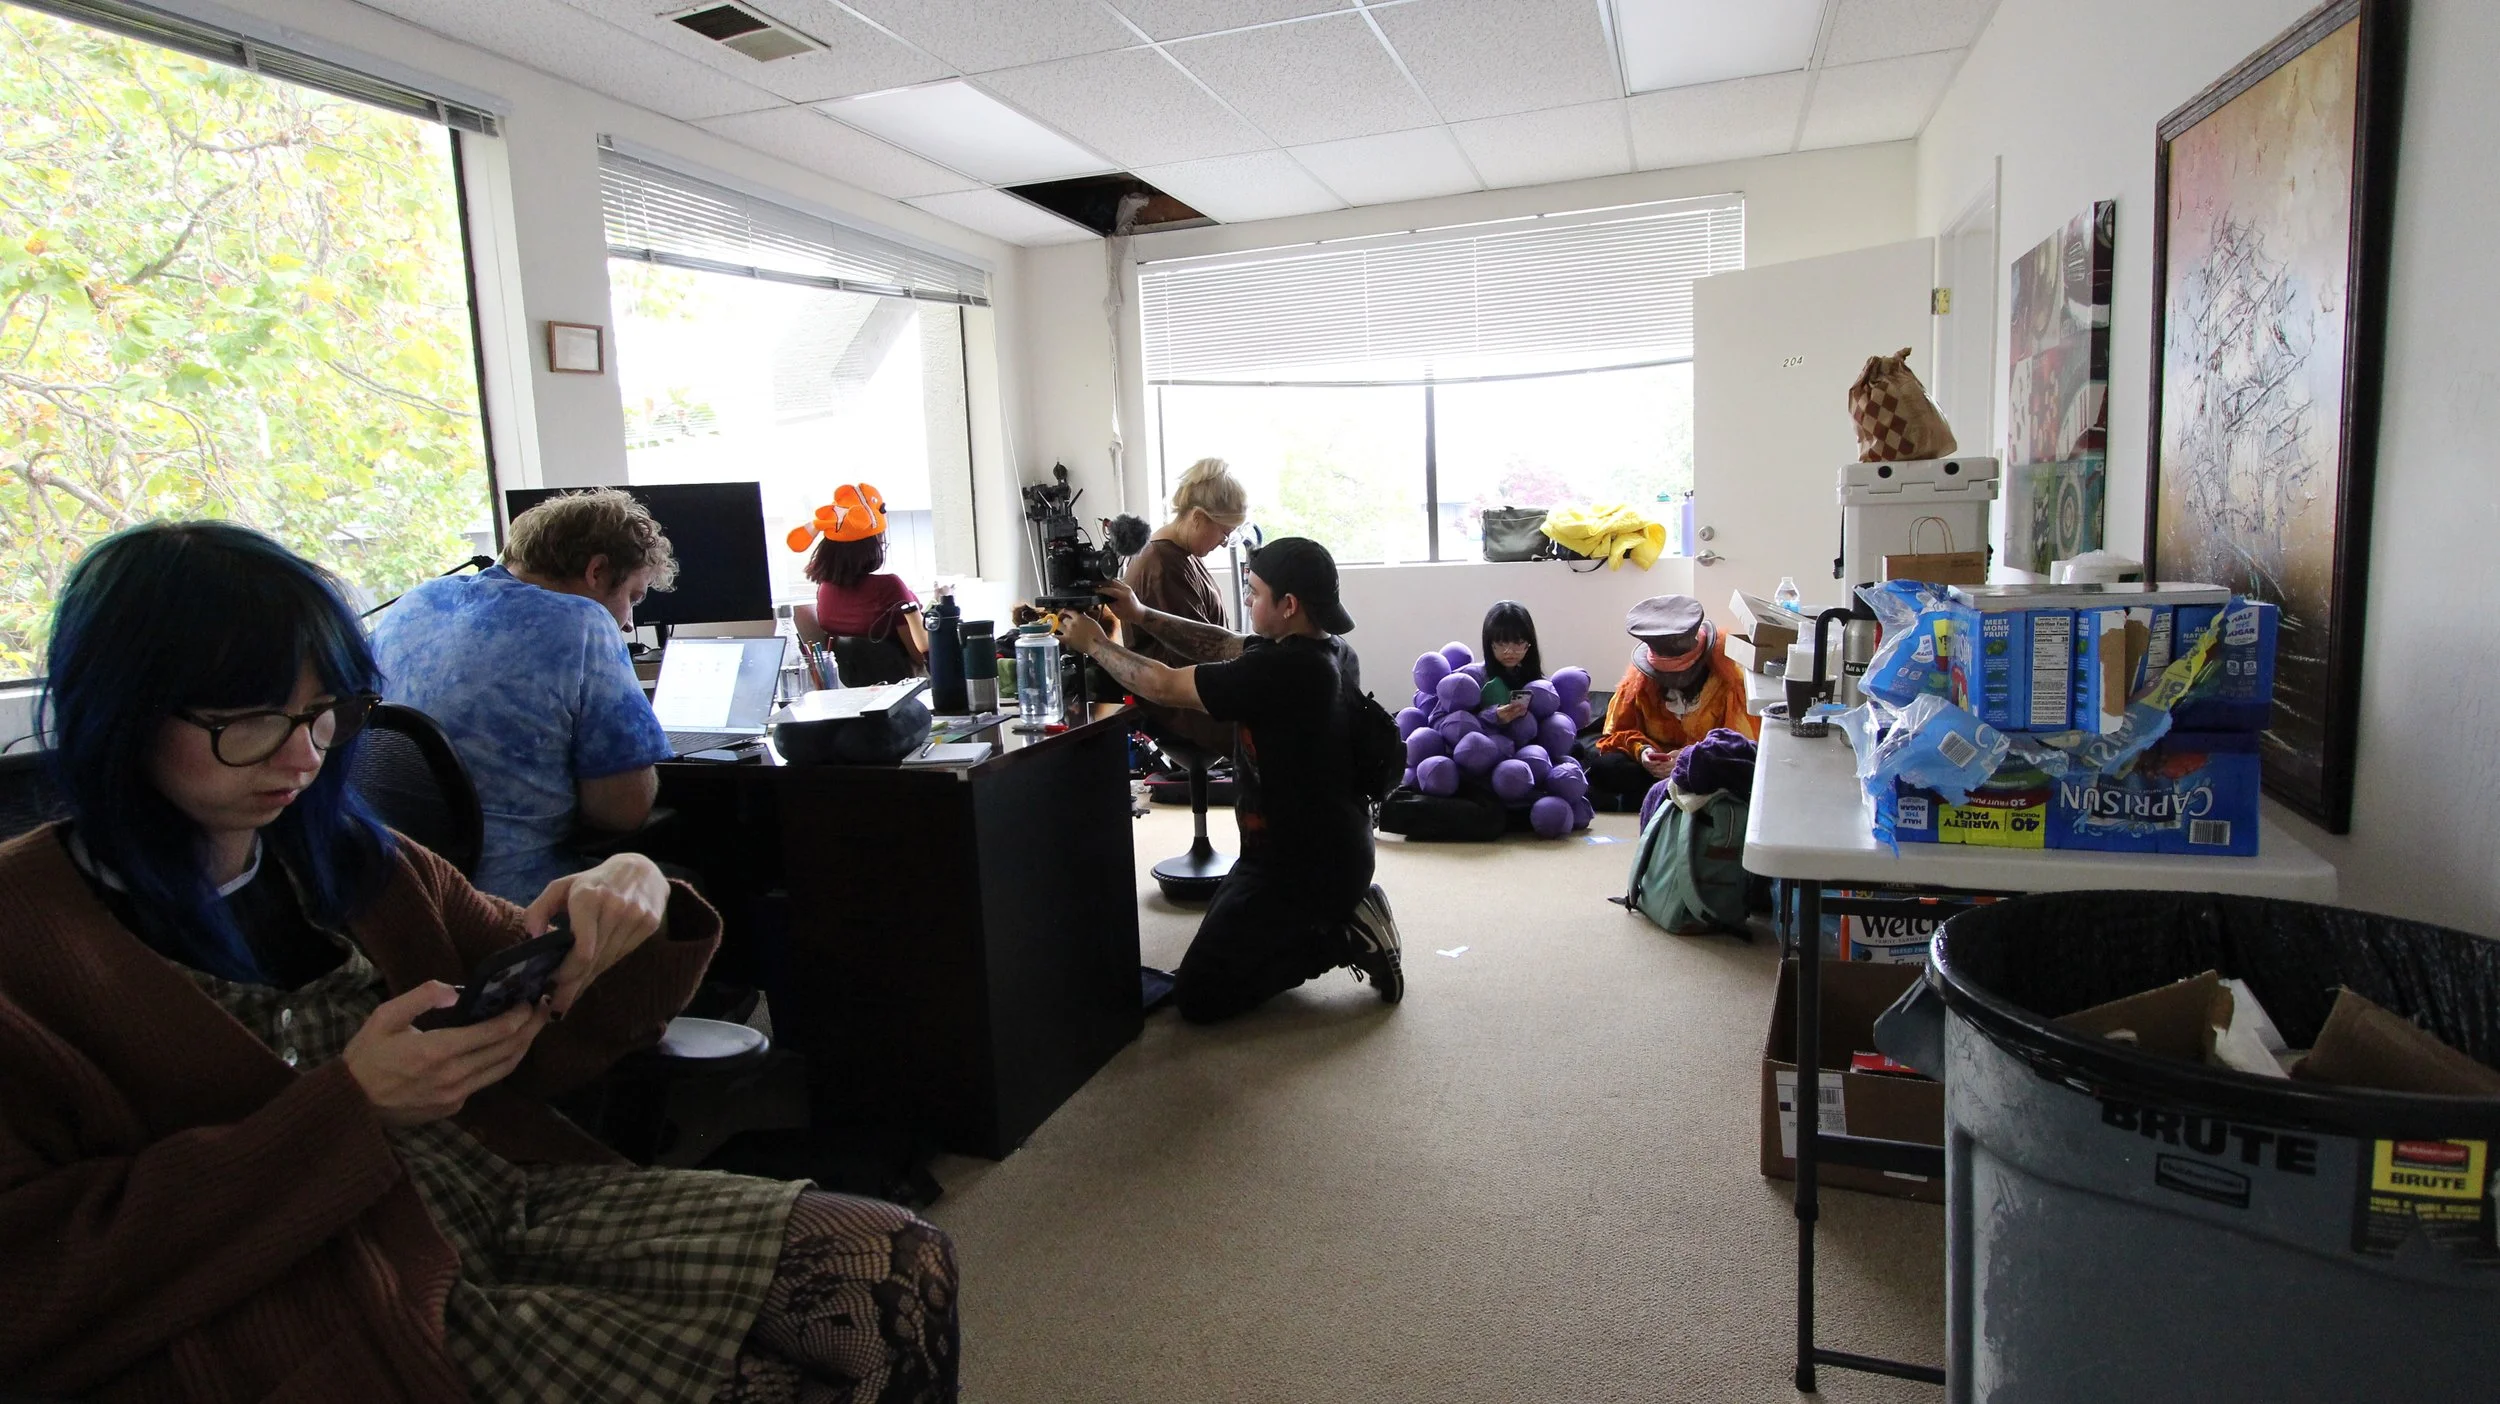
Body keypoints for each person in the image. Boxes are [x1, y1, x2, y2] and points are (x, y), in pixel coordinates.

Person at [0, 521, 957, 1404]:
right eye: (249, 719)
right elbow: (35, 1285)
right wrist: (350, 1107)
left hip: (484, 1197)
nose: (303, 755)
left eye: (326, 710)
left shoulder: (351, 857)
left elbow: (550, 1043)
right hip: (290, 1286)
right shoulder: (29, 940)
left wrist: (632, 898)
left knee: (900, 1258)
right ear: (120, 711)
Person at [1059, 538, 1402, 1023]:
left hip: (1302, 873)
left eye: (1254, 592)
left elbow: (1161, 685)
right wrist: (1138, 613)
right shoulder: (1325, 651)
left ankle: (1343, 934)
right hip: (1319, 851)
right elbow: (1221, 643)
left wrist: (1095, 643)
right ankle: (1335, 912)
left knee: (1199, 995)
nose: (1245, 600)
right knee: (1221, 942)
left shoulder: (1286, 671)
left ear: (1288, 605)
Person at [372, 488, 676, 903]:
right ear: (597, 571)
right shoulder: (583, 621)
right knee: (684, 885)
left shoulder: (415, 603)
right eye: (633, 598)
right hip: (514, 904)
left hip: (397, 897)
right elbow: (622, 810)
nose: (627, 623)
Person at [1587, 594, 1760, 810]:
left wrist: (1689, 757)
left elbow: (1738, 746)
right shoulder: (1639, 683)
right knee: (1606, 767)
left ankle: (1652, 797)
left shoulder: (1729, 684)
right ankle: (1673, 795)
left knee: (1730, 777)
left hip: (1703, 762)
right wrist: (1644, 752)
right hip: (1654, 766)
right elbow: (1617, 733)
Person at [1122, 458, 1247, 755]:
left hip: (1198, 689)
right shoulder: (1162, 564)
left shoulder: (1184, 557)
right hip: (1178, 703)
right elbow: (1193, 653)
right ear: (1198, 518)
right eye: (1223, 532)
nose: (1223, 542)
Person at [792, 482, 928, 672]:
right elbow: (923, 656)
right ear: (872, 546)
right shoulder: (889, 587)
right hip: (902, 689)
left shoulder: (825, 591)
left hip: (853, 692)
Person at [1477, 599, 1546, 725]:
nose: (1509, 652)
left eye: (1518, 643)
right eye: (1501, 643)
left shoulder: (1538, 684)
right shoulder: (1476, 677)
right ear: (1489, 643)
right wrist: (1494, 716)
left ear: (1529, 644)